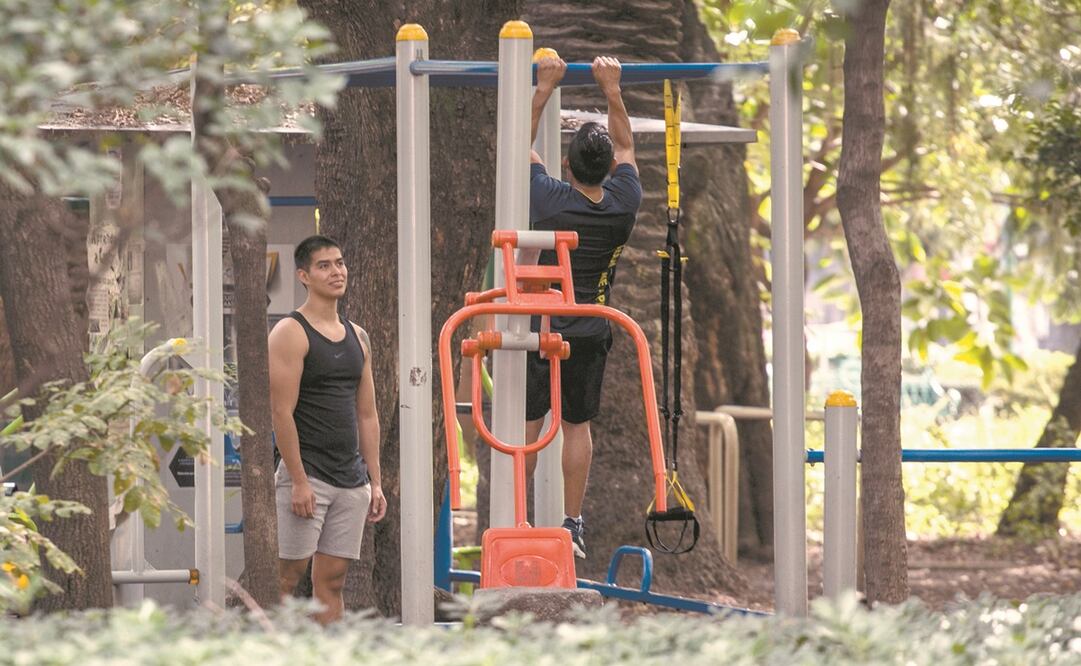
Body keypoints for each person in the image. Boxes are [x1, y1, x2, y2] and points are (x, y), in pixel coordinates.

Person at [524, 56, 641, 559]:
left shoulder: (551, 198)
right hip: (591, 327)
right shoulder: (624, 202)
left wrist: (544, 87)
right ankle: (572, 521)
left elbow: (515, 147)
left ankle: (519, 514)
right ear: (609, 168)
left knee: (528, 424)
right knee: (577, 426)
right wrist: (611, 89)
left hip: (543, 323)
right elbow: (628, 145)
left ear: (567, 166)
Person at [268, 234, 387, 624]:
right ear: (303, 275)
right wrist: (299, 481)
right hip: (309, 476)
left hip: (351, 481)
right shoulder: (290, 331)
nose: (336, 271)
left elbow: (367, 415)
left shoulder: (359, 336)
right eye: (324, 265)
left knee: (332, 581)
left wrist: (375, 482)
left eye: (339, 263)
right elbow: (281, 414)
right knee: (286, 577)